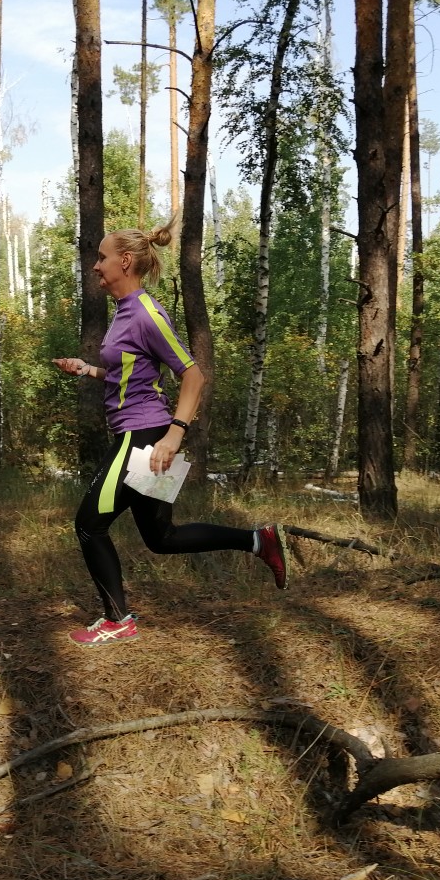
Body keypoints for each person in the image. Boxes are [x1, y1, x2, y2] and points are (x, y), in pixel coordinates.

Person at [52, 219, 289, 647]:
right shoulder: (124, 313)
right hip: (145, 431)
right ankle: (258, 540)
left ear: (125, 262)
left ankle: (117, 620)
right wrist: (89, 369)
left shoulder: (146, 313)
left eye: (102, 258)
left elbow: (193, 375)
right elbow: (131, 374)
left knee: (89, 524)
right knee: (162, 537)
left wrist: (173, 435)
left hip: (143, 438)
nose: (95, 267)